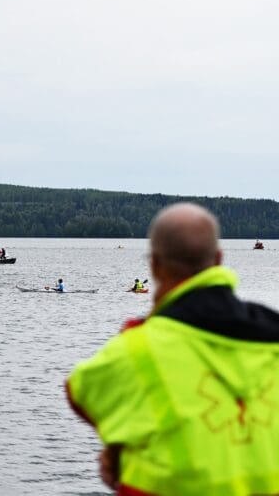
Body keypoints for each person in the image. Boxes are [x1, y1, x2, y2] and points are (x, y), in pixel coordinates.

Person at [66, 202, 279, 495]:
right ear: (218, 259)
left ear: (154, 265)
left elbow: (79, 391)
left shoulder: (137, 349)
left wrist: (117, 452)